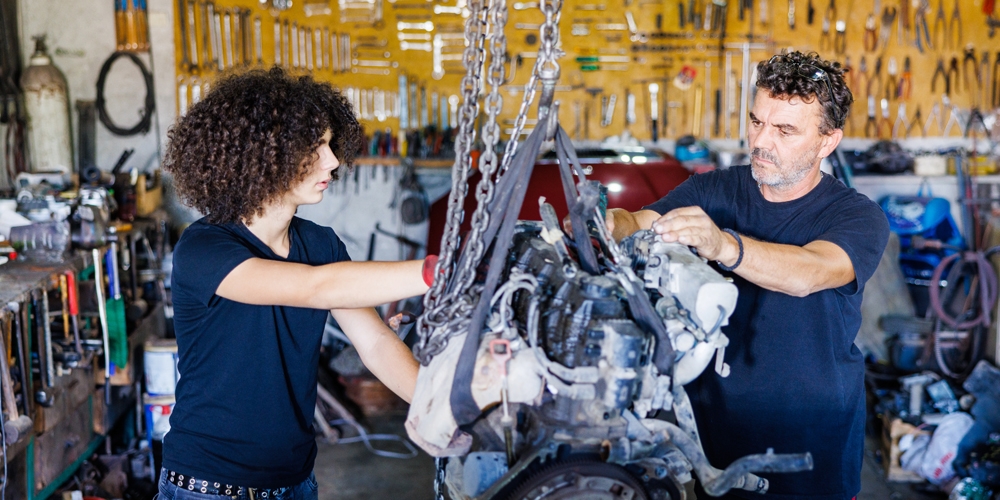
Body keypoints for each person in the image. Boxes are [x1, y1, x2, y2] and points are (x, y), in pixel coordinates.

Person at [607, 51, 889, 499]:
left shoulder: (857, 216)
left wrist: (723, 245)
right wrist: (606, 222)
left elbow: (811, 272)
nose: (762, 141)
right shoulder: (712, 189)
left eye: (785, 130)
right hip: (711, 437)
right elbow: (637, 222)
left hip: (810, 445)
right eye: (757, 122)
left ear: (827, 141)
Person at [159, 67, 431, 498]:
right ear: (263, 155)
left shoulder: (320, 244)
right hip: (210, 487)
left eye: (329, 143)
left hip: (295, 482)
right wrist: (439, 269)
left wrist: (442, 408)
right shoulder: (204, 249)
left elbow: (376, 344)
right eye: (315, 147)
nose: (333, 161)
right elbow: (315, 288)